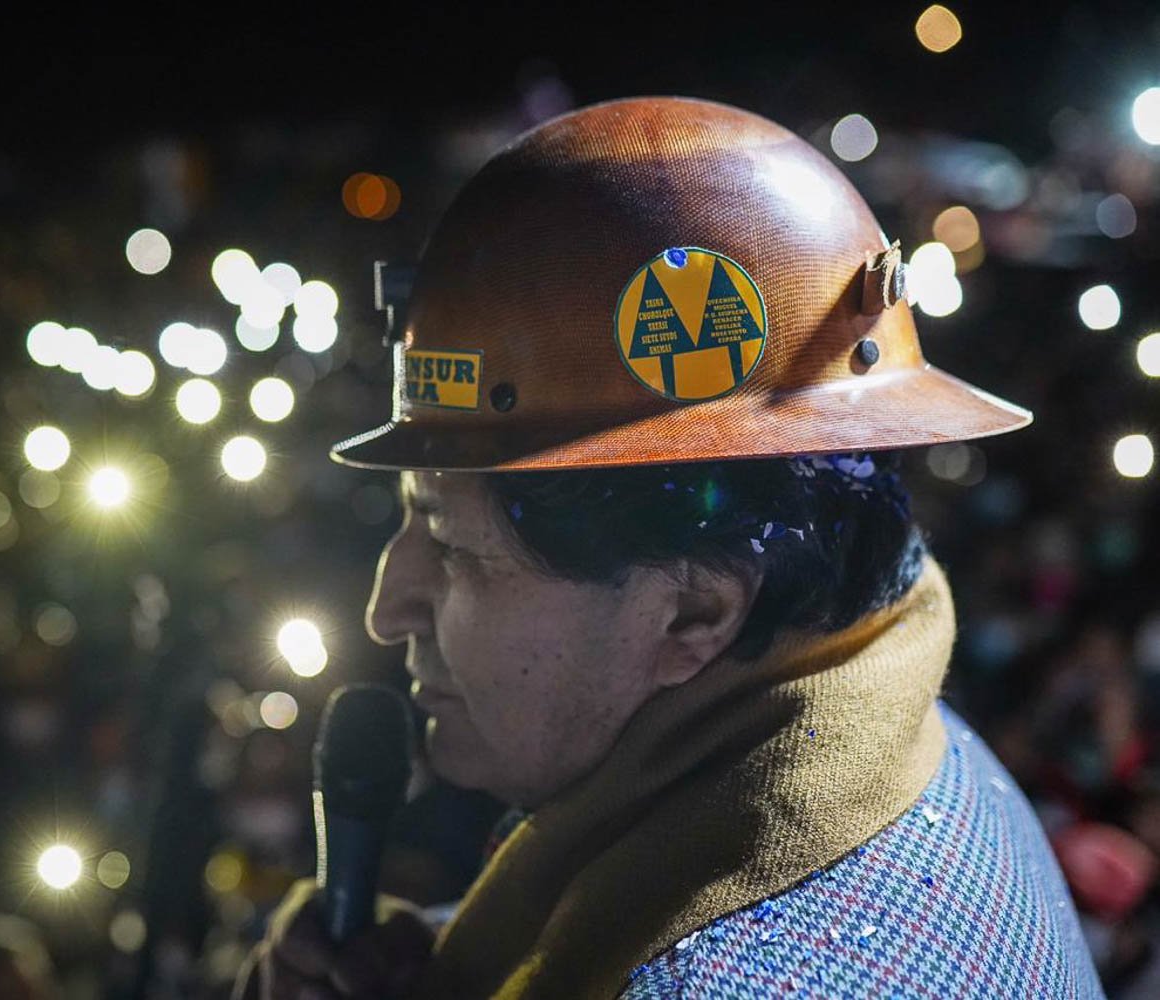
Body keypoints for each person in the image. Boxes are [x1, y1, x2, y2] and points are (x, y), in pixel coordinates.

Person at [235, 97, 1106, 999]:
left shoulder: (726, 977)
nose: (388, 608)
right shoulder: (890, 726)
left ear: (696, 611)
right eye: (411, 522)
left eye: (456, 550)